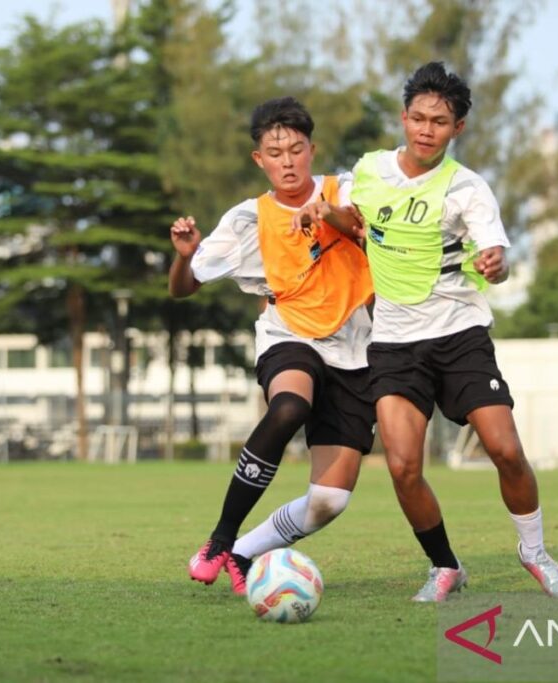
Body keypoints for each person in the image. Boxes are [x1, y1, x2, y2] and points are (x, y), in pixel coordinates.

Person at [294, 62, 558, 600]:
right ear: (404, 118)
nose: (426, 129)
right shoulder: (371, 170)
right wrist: (323, 211)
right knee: (402, 465)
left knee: (505, 449)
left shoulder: (468, 189)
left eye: (440, 121)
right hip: (396, 342)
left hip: (460, 333)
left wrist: (498, 266)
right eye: (418, 118)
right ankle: (445, 566)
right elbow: (355, 222)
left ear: (457, 129)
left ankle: (534, 552)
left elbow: (498, 257)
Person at [169, 96, 375, 596]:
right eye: (275, 152)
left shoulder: (345, 189)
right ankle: (220, 540)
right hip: (289, 334)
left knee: (328, 501)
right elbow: (183, 287)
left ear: (312, 150)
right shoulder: (246, 219)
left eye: (296, 149)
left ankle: (243, 551)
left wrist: (328, 214)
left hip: (355, 347)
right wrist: (185, 256)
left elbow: (365, 230)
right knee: (288, 407)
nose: (287, 160)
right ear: (259, 159)